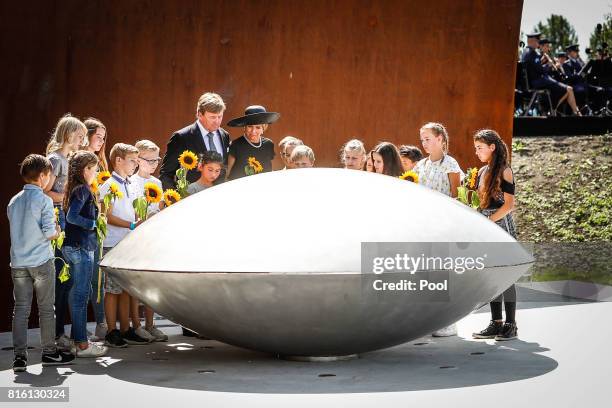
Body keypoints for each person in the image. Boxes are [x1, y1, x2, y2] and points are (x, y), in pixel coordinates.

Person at [8, 154, 75, 371]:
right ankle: (49, 352)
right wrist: (57, 230)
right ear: (43, 176)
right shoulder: (44, 200)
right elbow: (49, 233)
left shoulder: (14, 201)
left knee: (21, 309)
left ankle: (19, 357)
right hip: (41, 261)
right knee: (46, 309)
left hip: (18, 262)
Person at [414, 122, 464, 337]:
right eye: (422, 139)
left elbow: (455, 195)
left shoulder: (450, 164)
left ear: (441, 139)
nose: (424, 143)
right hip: (424, 225)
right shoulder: (421, 166)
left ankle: (449, 322)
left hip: (443, 224)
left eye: (428, 139)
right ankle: (430, 319)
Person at [99, 143, 150, 347]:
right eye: (131, 161)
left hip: (128, 243)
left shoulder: (132, 183)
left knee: (127, 289)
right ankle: (112, 331)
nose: (135, 165)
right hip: (113, 243)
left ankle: (126, 329)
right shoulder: (109, 185)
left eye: (137, 161)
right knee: (112, 290)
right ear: (118, 160)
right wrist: (131, 224)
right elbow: (107, 215)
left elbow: (136, 209)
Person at [470, 129, 518, 341]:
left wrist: (489, 220)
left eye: (480, 148)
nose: (477, 152)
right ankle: (496, 322)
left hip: (500, 225)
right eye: (475, 148)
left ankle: (511, 324)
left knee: (505, 276)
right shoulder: (481, 172)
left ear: (492, 147)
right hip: (486, 224)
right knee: (492, 276)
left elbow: (509, 205)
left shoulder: (505, 171)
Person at [44, 114, 87, 350]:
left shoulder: (70, 159)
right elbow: (45, 190)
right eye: (79, 135)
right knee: (62, 276)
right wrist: (70, 198)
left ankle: (64, 332)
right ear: (68, 134)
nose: (82, 140)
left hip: (69, 219)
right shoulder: (55, 159)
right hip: (58, 219)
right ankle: (57, 333)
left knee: (69, 278)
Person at [62, 151, 108, 357]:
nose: (97, 172)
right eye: (95, 168)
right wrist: (93, 223)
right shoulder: (83, 190)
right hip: (81, 247)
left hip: (74, 246)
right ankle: (82, 344)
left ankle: (76, 338)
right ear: (85, 170)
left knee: (78, 293)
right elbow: (72, 217)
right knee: (81, 296)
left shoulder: (75, 188)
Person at [130, 140, 168, 342]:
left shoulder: (157, 183)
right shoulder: (131, 182)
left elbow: (159, 207)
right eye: (150, 160)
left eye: (157, 160)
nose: (154, 164)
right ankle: (136, 325)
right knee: (136, 285)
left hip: (152, 238)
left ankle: (151, 324)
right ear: (137, 160)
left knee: (152, 284)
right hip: (136, 237)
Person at [160, 92, 230, 190]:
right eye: (213, 117)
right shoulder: (181, 137)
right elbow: (166, 174)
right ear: (199, 114)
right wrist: (175, 200)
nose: (217, 121)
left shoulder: (224, 135)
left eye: (220, 116)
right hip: (191, 198)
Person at [81, 117, 109, 341]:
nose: (100, 141)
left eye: (103, 138)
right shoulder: (78, 162)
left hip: (99, 223)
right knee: (81, 278)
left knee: (97, 278)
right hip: (81, 224)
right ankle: (79, 329)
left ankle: (102, 323)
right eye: (97, 136)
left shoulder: (101, 163)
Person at [521, 33, 580, 115]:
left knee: (567, 88)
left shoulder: (525, 52)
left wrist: (544, 63)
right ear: (532, 41)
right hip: (538, 82)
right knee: (568, 89)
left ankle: (558, 109)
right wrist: (549, 65)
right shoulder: (532, 53)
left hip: (536, 81)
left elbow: (535, 68)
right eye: (537, 41)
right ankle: (559, 109)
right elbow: (540, 70)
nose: (538, 43)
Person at [226, 105, 280, 180]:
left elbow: (269, 170)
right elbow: (227, 173)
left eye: (258, 127)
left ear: (263, 128)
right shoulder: (235, 145)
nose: (253, 131)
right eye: (250, 126)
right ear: (244, 127)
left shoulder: (268, 144)